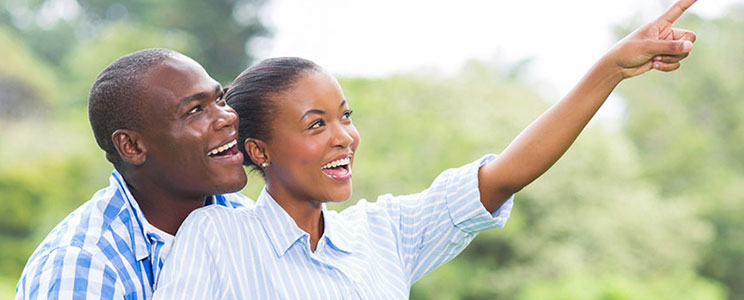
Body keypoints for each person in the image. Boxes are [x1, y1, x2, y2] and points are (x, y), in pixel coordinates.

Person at [154, 0, 698, 298]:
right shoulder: (217, 237)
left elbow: (504, 175)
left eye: (345, 116)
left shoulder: (383, 235)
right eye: (316, 125)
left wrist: (609, 70)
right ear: (260, 150)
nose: (344, 136)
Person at [15, 48, 252, 300]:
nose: (228, 117)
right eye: (195, 110)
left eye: (220, 100)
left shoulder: (245, 217)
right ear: (132, 146)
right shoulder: (83, 263)